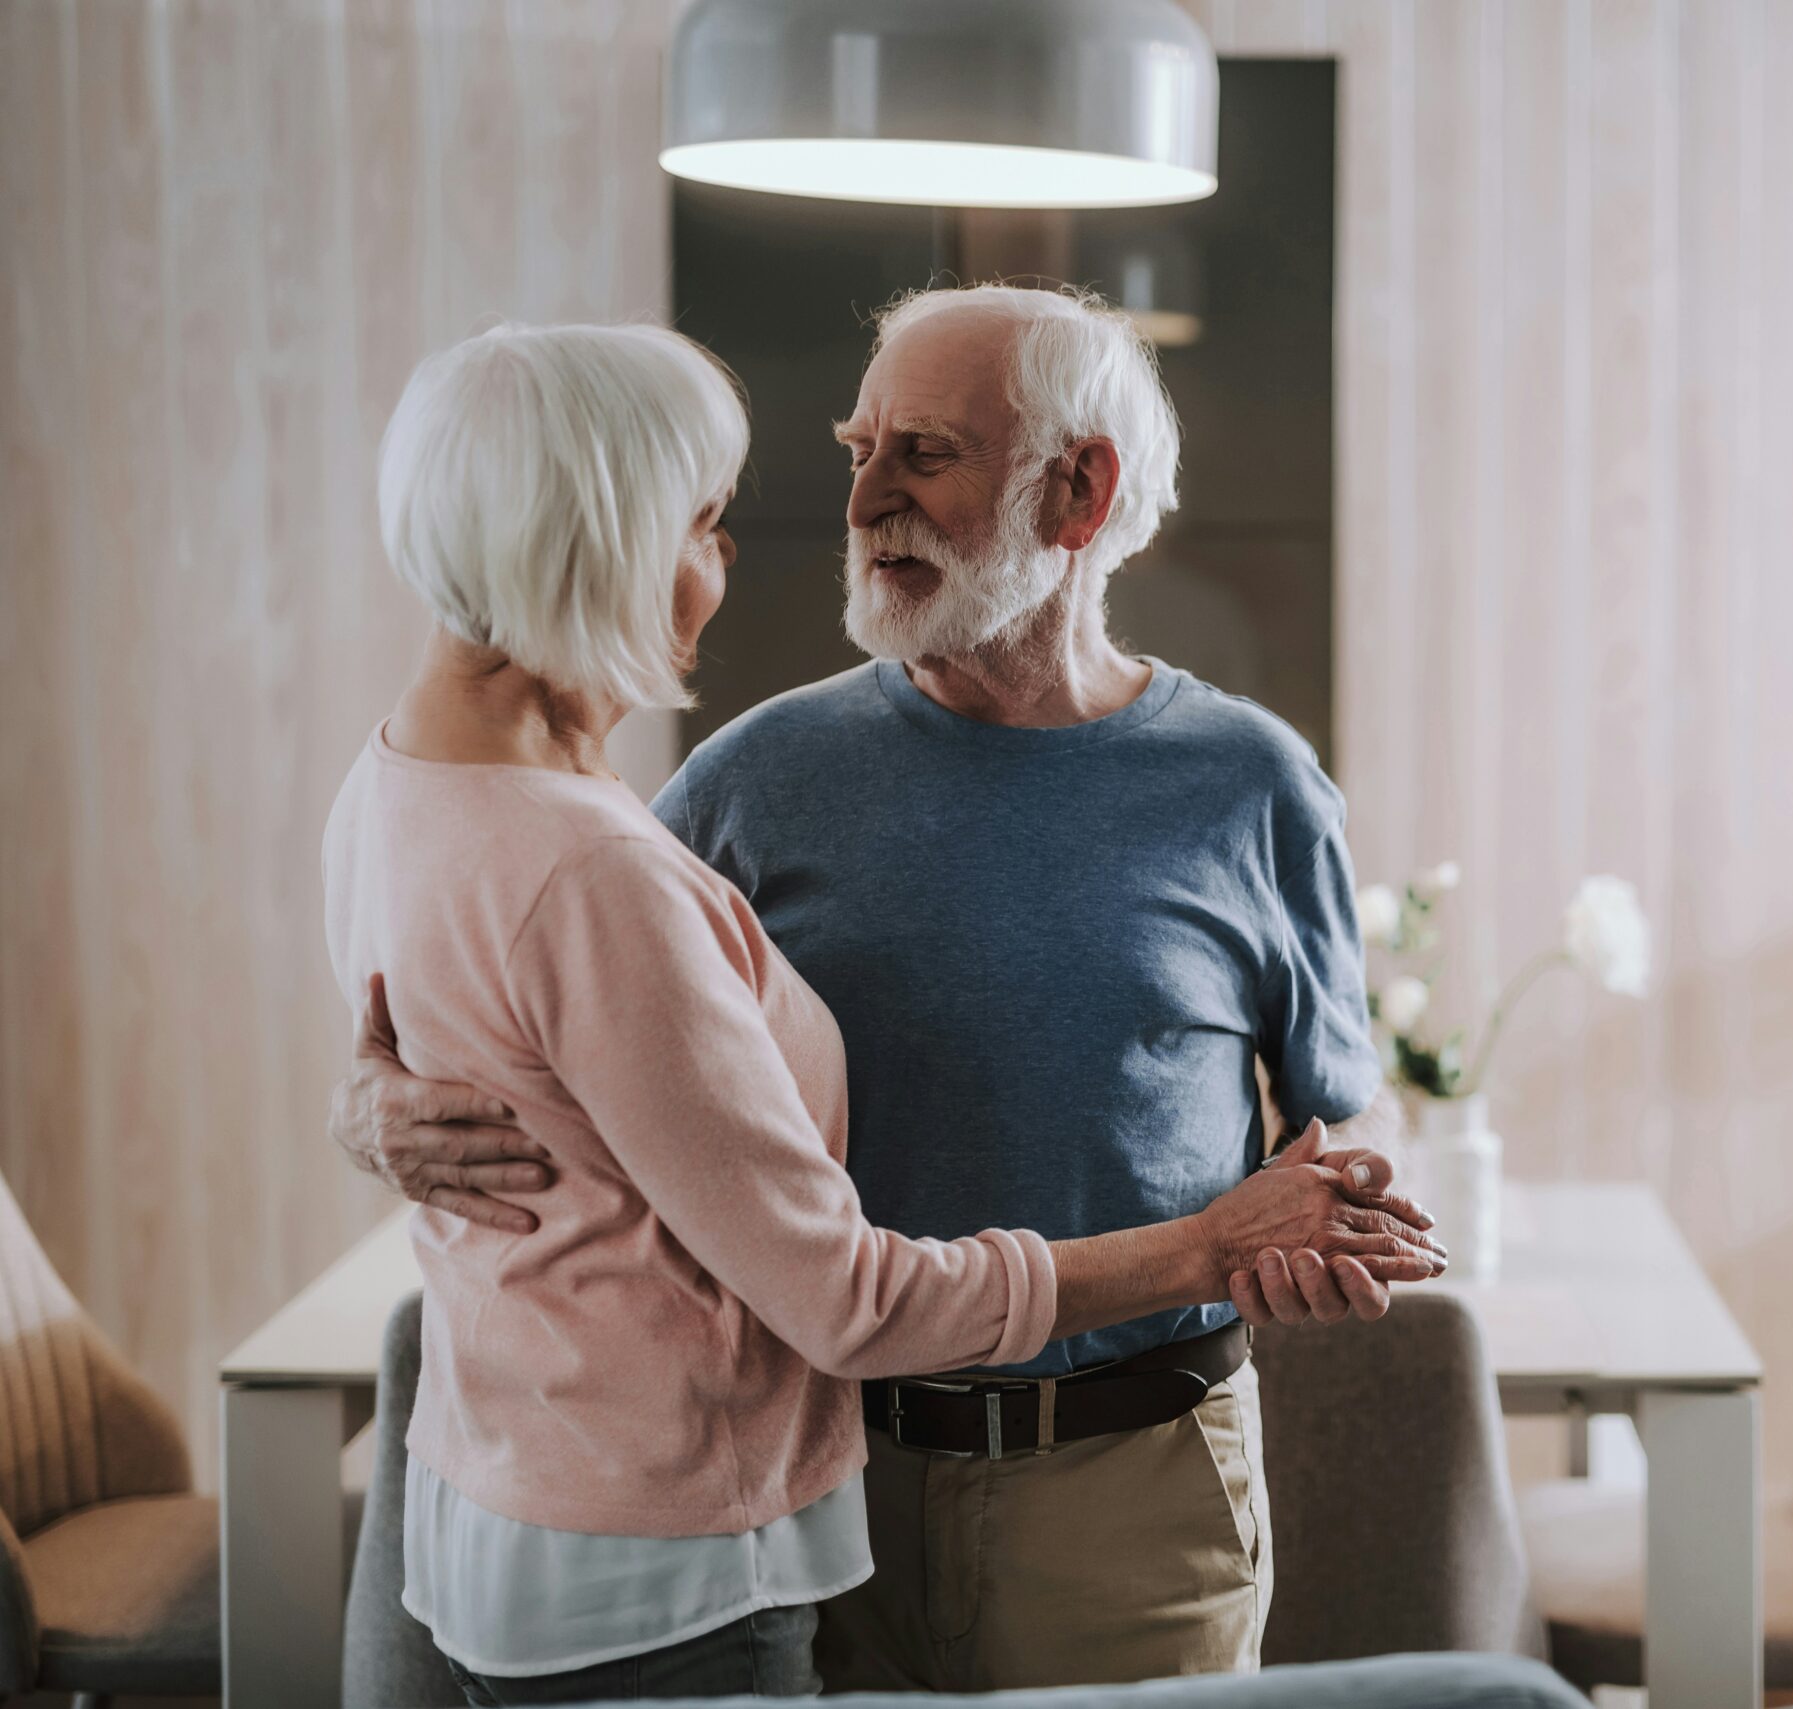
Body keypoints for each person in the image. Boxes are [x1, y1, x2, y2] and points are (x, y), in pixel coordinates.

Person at [324, 321, 1444, 1704]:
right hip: (828, 1484)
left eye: (924, 456)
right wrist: (371, 1103)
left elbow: (1343, 1128)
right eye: (860, 453)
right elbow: (544, 1005)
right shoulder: (749, 778)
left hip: (1130, 1492)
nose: (860, 504)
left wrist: (1329, 1218)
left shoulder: (1253, 782)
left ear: (1077, 495)